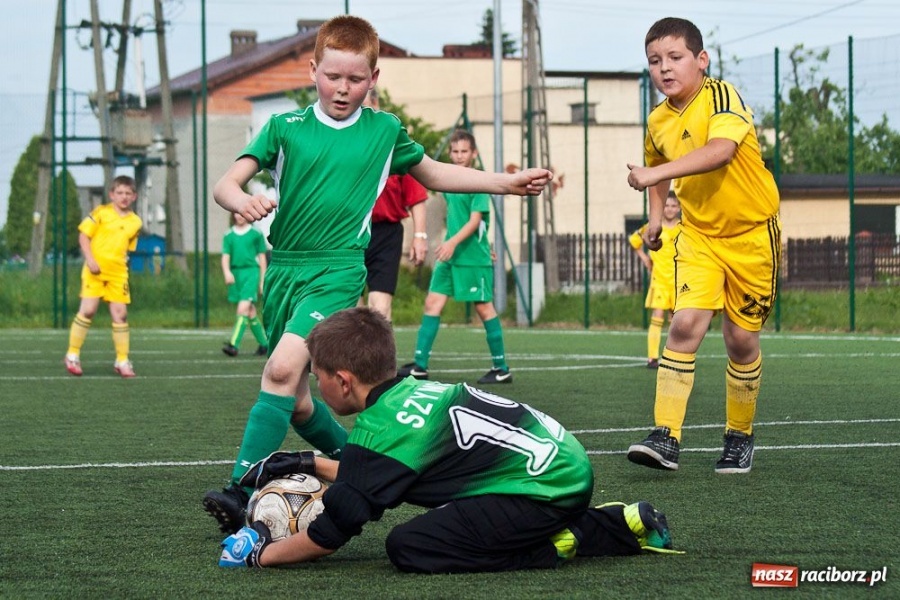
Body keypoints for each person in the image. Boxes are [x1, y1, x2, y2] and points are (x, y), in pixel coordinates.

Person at [204, 15, 553, 535]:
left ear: (373, 78)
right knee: (297, 402)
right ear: (313, 70)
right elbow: (226, 184)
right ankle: (377, 473)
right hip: (284, 272)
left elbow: (434, 172)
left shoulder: (385, 131)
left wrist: (506, 182)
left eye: (355, 79)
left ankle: (239, 489)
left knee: (279, 370)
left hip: (340, 269)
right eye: (332, 76)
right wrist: (243, 200)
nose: (343, 89)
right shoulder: (284, 128)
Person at [217, 307, 683, 572]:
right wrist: (306, 462)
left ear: (342, 380)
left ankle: (568, 537)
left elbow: (328, 535)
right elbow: (384, 473)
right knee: (436, 509)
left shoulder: (379, 432)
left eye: (316, 378)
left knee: (410, 546)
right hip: (561, 465)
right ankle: (624, 521)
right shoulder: (412, 390)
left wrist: (261, 554)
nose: (315, 387)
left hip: (543, 493)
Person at [625, 17, 781, 474]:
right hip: (698, 236)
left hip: (752, 234)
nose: (664, 69)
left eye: (675, 58)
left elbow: (721, 151)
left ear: (701, 60)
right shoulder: (656, 121)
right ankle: (666, 436)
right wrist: (655, 221)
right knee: (685, 325)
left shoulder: (721, 96)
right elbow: (655, 164)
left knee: (740, 339)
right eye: (655, 61)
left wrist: (655, 176)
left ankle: (739, 436)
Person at [397, 130, 512, 385]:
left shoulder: (478, 182)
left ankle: (501, 367)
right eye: (455, 151)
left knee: (483, 308)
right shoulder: (450, 182)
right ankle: (420, 365)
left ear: (474, 154)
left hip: (471, 257)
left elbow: (475, 221)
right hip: (450, 256)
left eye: (464, 152)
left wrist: (451, 242)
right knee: (432, 303)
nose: (459, 156)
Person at [64, 175, 143, 378]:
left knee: (120, 315)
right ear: (111, 194)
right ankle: (72, 355)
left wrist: (122, 262)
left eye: (128, 193)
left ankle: (122, 360)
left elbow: (127, 248)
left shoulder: (136, 222)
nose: (124, 197)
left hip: (118, 274)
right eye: (120, 193)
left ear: (134, 196)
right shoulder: (101, 213)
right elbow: (83, 236)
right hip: (94, 271)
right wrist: (90, 259)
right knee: (88, 310)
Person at [362, 85, 430, 321]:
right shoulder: (339, 142)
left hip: (385, 234)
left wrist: (420, 236)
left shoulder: (393, 143)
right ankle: (350, 358)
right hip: (347, 232)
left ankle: (381, 359)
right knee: (349, 308)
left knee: (379, 308)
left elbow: (417, 197)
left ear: (375, 104)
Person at [628, 192, 682, 369]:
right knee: (657, 316)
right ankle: (652, 358)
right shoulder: (653, 227)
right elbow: (634, 240)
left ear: (679, 208)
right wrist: (644, 258)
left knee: (677, 321)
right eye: (666, 205)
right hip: (659, 279)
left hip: (679, 280)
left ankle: (675, 357)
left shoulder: (684, 228)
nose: (670, 209)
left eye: (674, 206)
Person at [221, 212, 269, 357]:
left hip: (251, 274)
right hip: (237, 276)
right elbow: (225, 256)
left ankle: (233, 345)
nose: (239, 216)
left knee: (242, 309)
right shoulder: (228, 235)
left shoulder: (256, 233)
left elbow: (262, 258)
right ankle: (265, 344)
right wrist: (227, 272)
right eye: (237, 212)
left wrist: (262, 280)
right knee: (250, 312)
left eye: (242, 213)